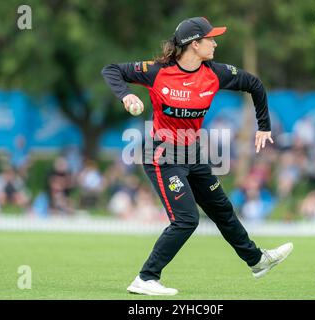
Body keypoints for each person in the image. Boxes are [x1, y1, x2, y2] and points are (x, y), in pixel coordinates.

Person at [102, 17, 293, 296]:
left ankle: (256, 261)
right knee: (186, 219)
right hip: (161, 155)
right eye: (210, 39)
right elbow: (111, 70)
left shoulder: (215, 73)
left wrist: (263, 126)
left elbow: (254, 84)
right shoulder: (156, 72)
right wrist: (126, 96)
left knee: (222, 210)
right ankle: (145, 278)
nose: (215, 43)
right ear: (194, 44)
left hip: (193, 154)